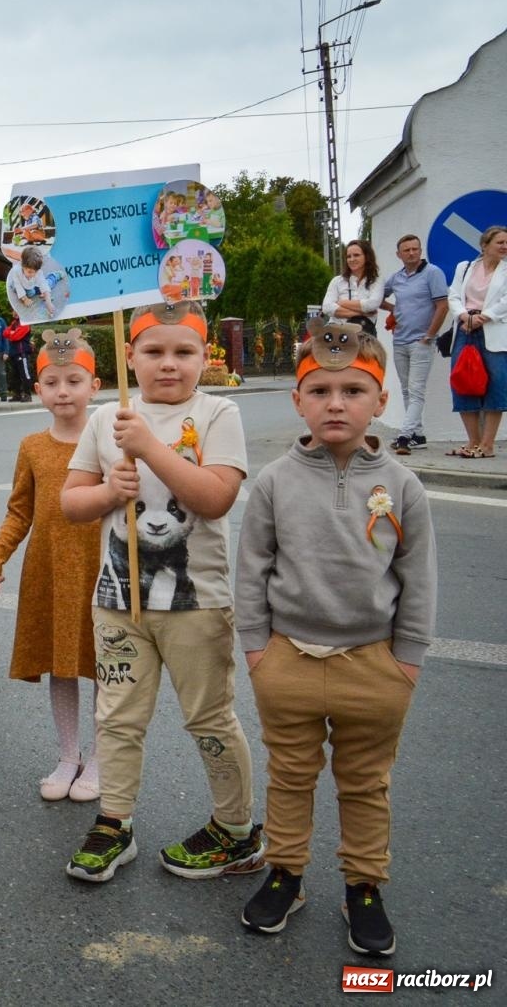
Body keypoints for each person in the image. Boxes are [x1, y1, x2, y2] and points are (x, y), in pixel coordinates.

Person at [235, 324, 434, 954]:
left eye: (354, 390)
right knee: (290, 776)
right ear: (298, 401)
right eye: (319, 391)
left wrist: (406, 662)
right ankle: (286, 873)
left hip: (374, 666)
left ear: (380, 400)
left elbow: (417, 577)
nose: (336, 404)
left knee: (366, 783)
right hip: (287, 660)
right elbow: (252, 569)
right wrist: (258, 652)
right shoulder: (274, 481)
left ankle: (363, 885)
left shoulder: (402, 486)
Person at [60, 300, 256, 883]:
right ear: (130, 356)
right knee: (117, 717)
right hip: (118, 602)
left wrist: (149, 449)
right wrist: (107, 493)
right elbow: (72, 502)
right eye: (153, 351)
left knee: (209, 717)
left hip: (198, 603)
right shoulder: (106, 417)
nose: (168, 364)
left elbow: (215, 498)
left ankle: (235, 829)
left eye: (183, 352)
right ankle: (113, 822)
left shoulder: (217, 412)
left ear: (204, 356)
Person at [0, 331, 103, 801]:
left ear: (95, 386)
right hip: (50, 570)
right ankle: (69, 755)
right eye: (52, 382)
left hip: (101, 570)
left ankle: (102, 758)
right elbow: (19, 512)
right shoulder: (32, 446)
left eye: (74, 381)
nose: (63, 391)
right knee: (61, 664)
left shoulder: (111, 439)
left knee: (104, 666)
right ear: (37, 389)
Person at [380, 235, 450, 455]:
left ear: (420, 251)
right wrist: (394, 309)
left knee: (416, 390)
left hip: (422, 341)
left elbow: (442, 306)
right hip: (400, 340)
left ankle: (405, 435)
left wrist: (429, 335)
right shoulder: (396, 277)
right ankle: (418, 436)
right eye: (406, 250)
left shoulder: (433, 273)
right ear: (399, 254)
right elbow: (377, 297)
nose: (411, 253)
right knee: (406, 389)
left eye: (415, 249)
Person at [445, 225, 507, 459]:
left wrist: (483, 318)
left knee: (496, 384)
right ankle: (473, 441)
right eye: (500, 242)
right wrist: (464, 316)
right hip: (465, 329)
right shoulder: (465, 267)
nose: (505, 246)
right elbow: (453, 295)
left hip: (493, 331)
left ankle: (487, 444)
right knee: (463, 381)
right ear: (484, 245)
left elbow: (505, 301)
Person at [320, 239, 382, 335]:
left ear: (367, 257)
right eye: (348, 256)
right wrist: (363, 314)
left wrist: (342, 303)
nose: (352, 259)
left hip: (364, 334)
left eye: (356, 255)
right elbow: (327, 307)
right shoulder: (337, 281)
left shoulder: (376, 281)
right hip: (337, 333)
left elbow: (372, 305)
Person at [7, 246, 58, 320]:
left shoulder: (38, 272)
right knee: (28, 292)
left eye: (35, 271)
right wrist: (25, 299)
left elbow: (43, 284)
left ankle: (54, 276)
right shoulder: (16, 271)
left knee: (48, 284)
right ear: (23, 265)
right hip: (24, 285)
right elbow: (18, 286)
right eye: (30, 272)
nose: (33, 274)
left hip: (34, 284)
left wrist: (48, 302)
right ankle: (31, 292)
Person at [4, 319, 36, 403]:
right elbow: (5, 333)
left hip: (22, 353)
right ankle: (17, 395)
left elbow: (16, 337)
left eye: (16, 312)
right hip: (14, 353)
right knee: (15, 375)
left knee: (25, 374)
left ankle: (27, 395)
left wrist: (12, 334)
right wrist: (12, 333)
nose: (14, 313)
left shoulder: (25, 324)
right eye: (13, 312)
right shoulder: (14, 323)